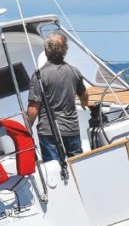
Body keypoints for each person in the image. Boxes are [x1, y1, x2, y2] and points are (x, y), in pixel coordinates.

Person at [26, 33, 89, 163]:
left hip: (49, 131)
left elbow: (34, 107)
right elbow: (84, 96)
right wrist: (84, 104)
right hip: (71, 128)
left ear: (46, 51)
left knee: (55, 169)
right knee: (78, 165)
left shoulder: (39, 75)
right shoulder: (74, 71)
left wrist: (26, 129)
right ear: (64, 51)